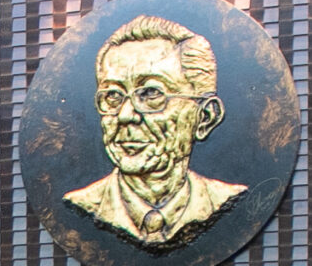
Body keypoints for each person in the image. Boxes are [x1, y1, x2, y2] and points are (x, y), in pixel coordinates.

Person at [63, 16, 247, 253]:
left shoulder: (226, 200)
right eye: (113, 96)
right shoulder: (79, 205)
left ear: (204, 118)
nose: (125, 116)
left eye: (151, 94)